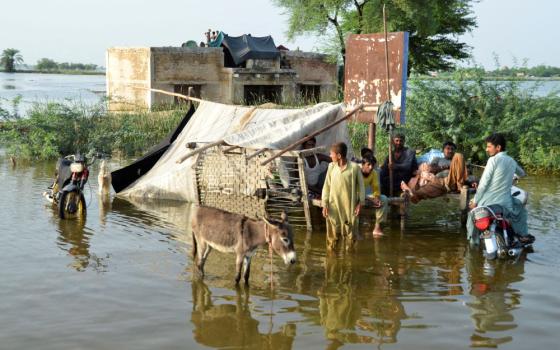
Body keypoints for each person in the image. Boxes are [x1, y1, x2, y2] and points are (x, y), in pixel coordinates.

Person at [467, 133, 529, 243]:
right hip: (506, 205)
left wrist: (475, 201)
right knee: (520, 209)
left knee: (471, 216)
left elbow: (483, 184)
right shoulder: (511, 161)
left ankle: (473, 243)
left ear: (498, 147)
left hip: (487, 203)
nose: (486, 149)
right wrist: (513, 177)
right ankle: (523, 235)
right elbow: (523, 174)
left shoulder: (493, 160)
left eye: (489, 146)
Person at [322, 142, 365, 250]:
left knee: (350, 236)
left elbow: (361, 187)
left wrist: (360, 204)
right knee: (332, 236)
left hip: (349, 207)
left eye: (332, 154)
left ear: (339, 156)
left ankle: (349, 261)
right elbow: (326, 186)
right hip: (333, 206)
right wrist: (324, 204)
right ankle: (332, 260)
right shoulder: (331, 167)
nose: (330, 156)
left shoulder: (354, 168)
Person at [400, 141, 468, 203]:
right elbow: (431, 169)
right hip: (438, 182)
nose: (450, 151)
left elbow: (465, 173)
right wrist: (445, 167)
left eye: (452, 149)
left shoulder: (456, 160)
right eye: (448, 148)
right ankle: (411, 194)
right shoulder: (438, 159)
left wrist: (473, 181)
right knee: (419, 193)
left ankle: (411, 193)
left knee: (459, 155)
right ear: (443, 150)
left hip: (451, 181)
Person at [361, 155, 389, 236]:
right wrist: (371, 199)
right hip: (353, 195)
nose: (371, 167)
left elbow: (376, 188)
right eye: (368, 164)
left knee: (383, 199)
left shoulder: (374, 173)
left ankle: (377, 227)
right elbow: (355, 191)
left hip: (365, 196)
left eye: (372, 165)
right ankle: (355, 229)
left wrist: (376, 197)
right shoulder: (356, 171)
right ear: (363, 164)